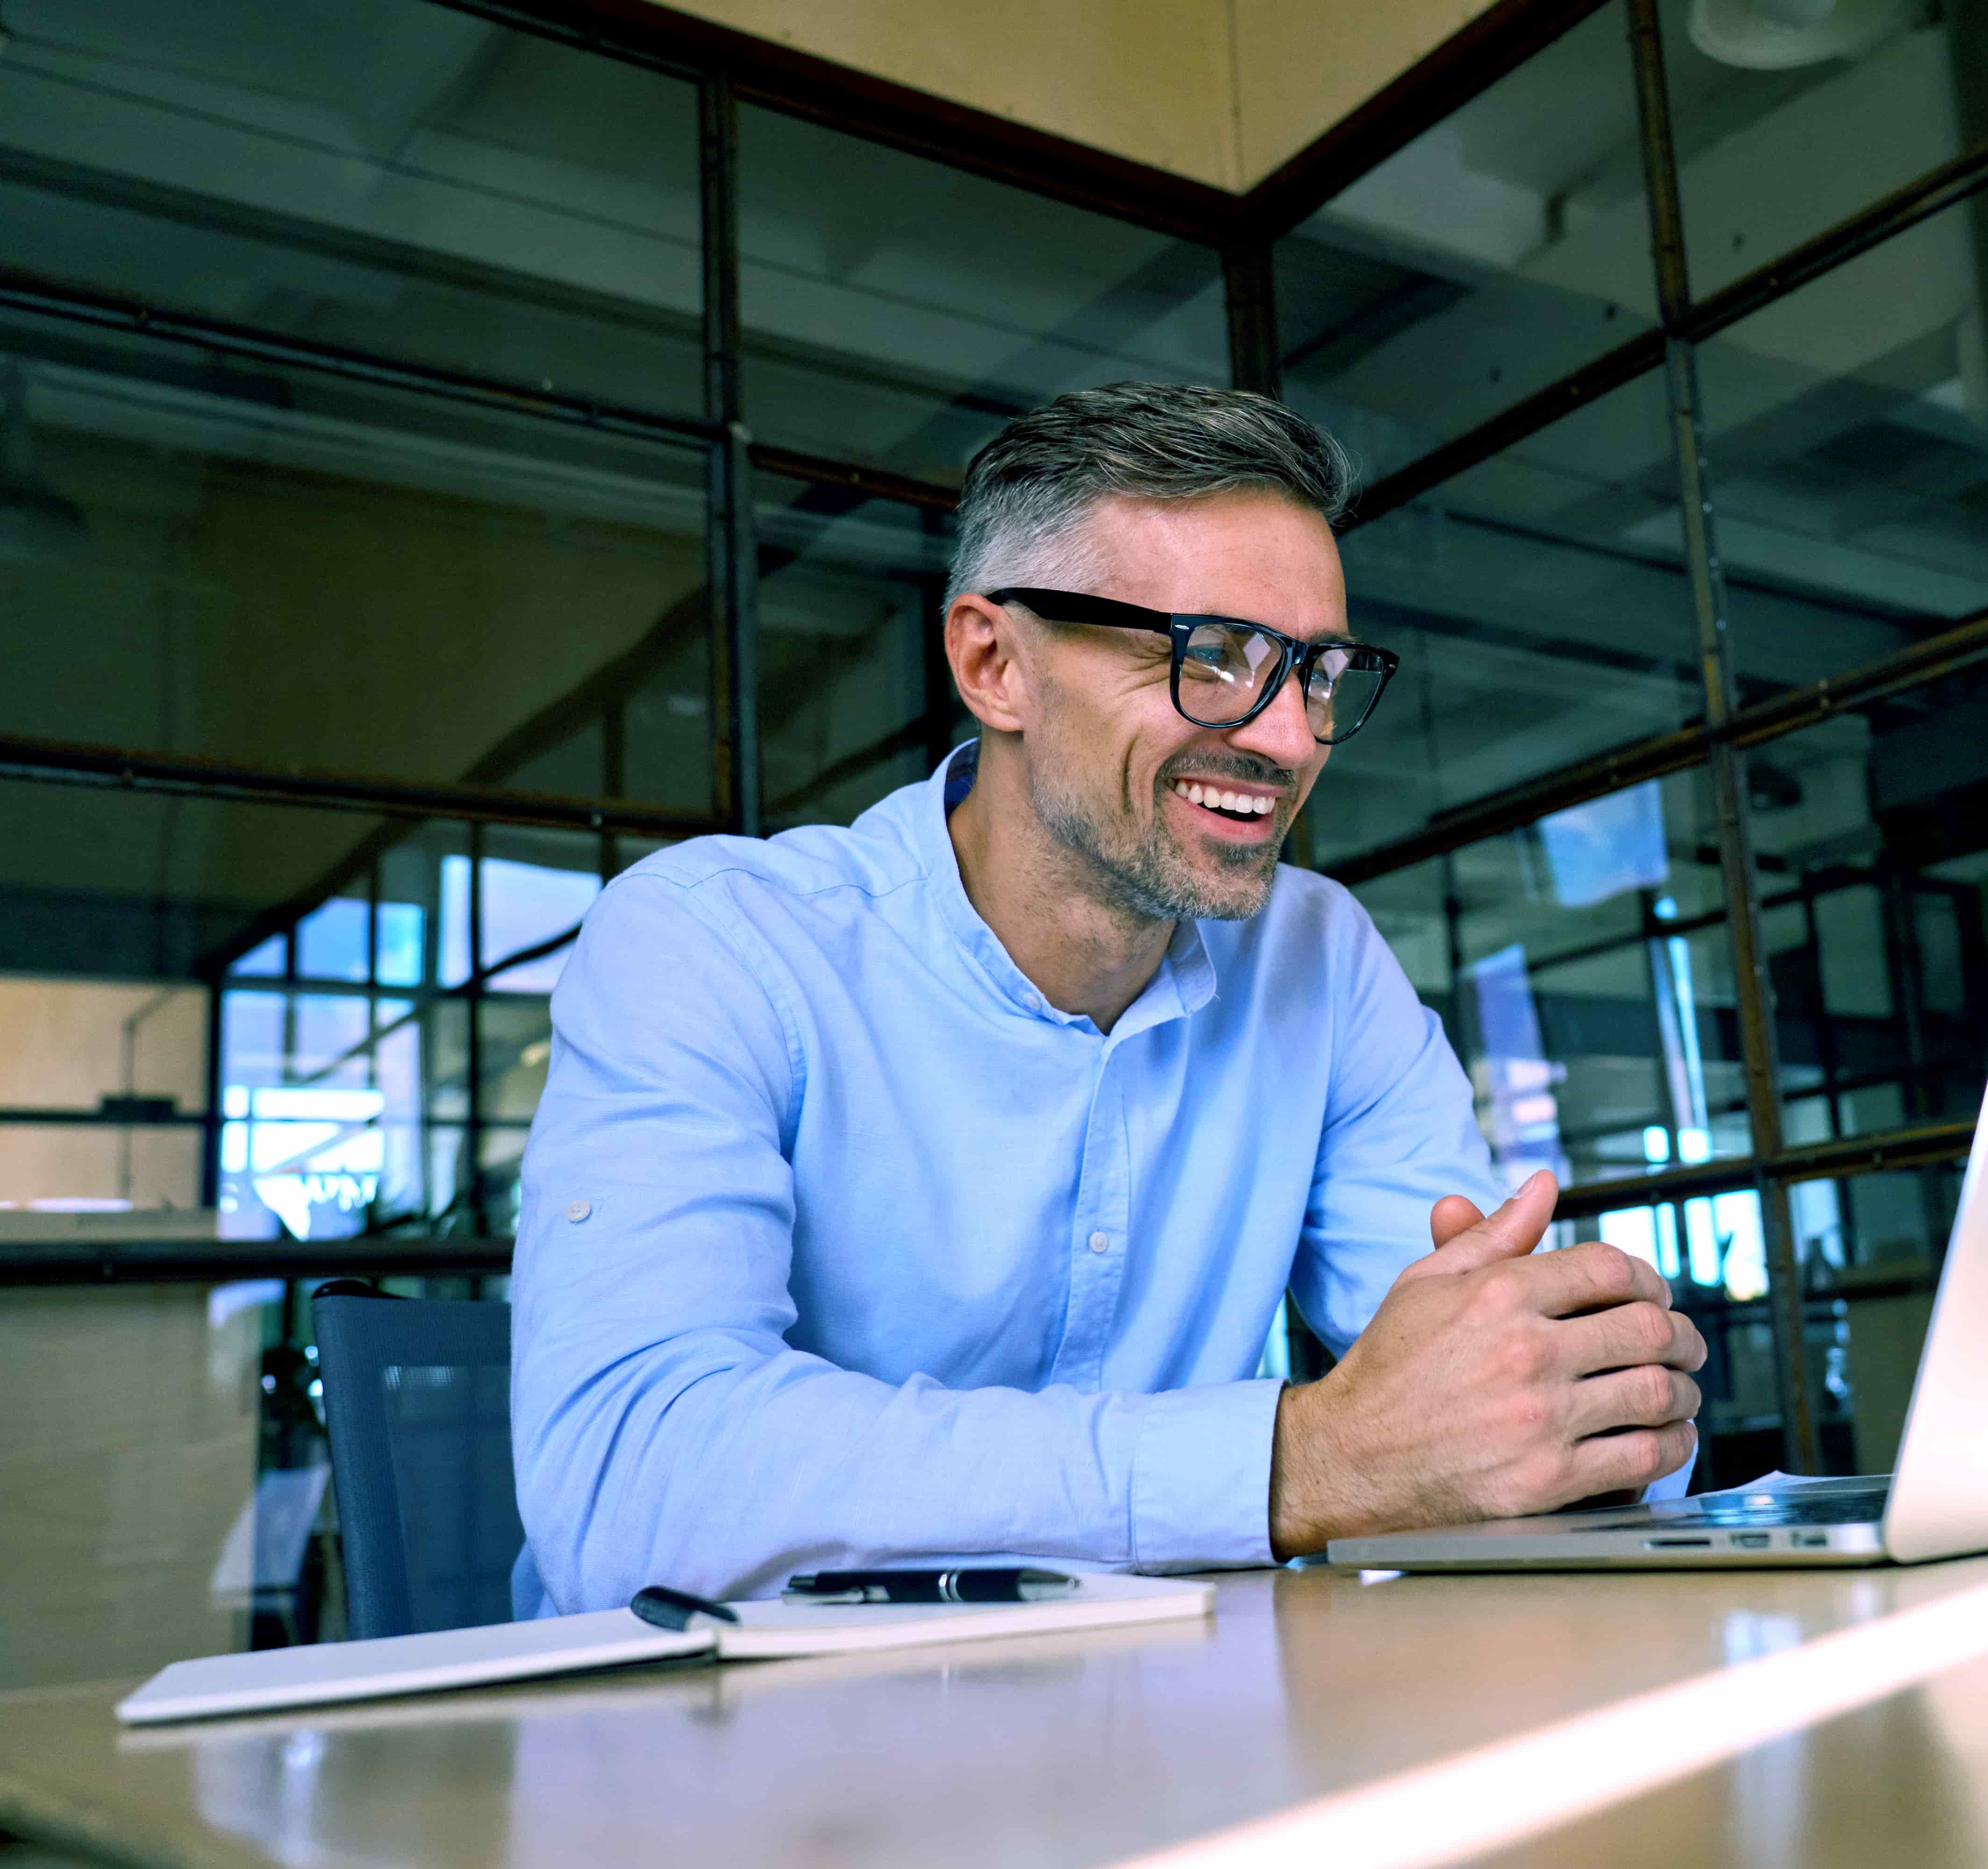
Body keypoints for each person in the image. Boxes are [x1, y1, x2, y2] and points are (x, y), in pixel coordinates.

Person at [509, 382, 1705, 1613]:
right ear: (995, 663)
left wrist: (1582, 1398)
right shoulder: (716, 941)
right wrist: (1299, 1461)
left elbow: (1497, 1409)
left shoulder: (1321, 960)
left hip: (1173, 1723)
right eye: (1213, 659)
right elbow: (628, 1481)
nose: (1291, 740)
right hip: (723, 1758)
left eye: (1317, 671)